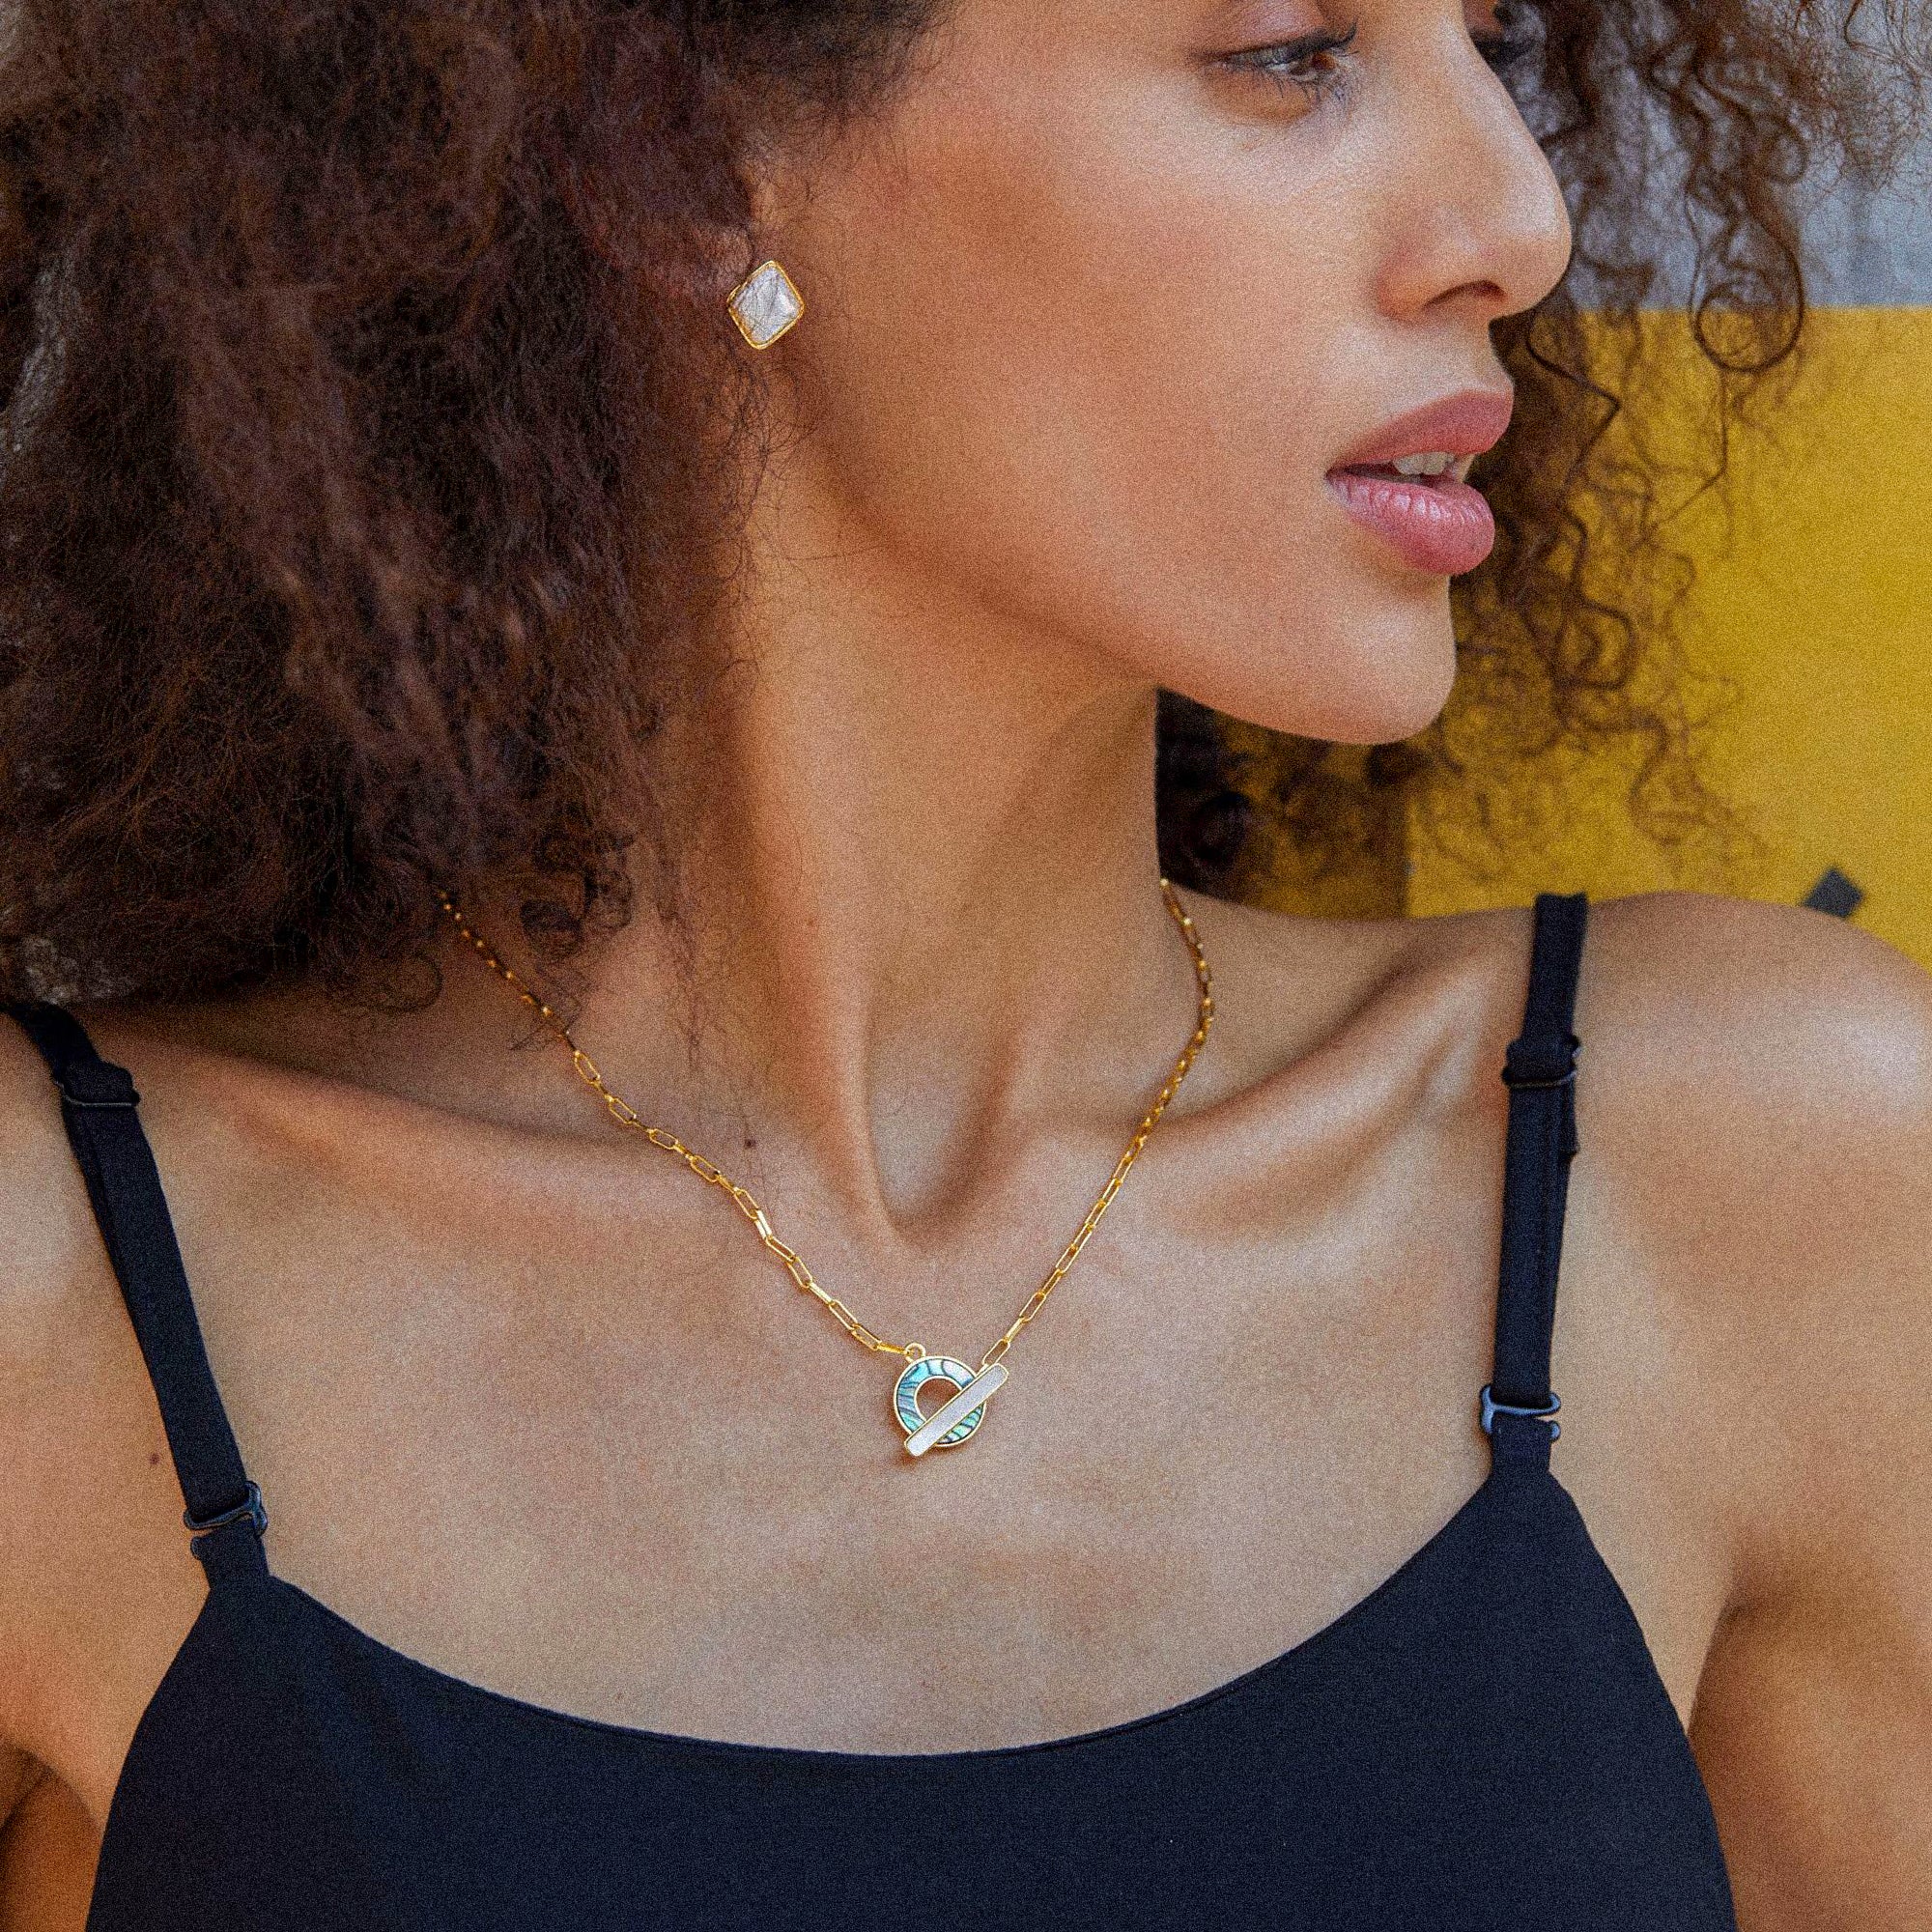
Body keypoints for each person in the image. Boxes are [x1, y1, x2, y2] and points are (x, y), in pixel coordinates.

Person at [0, 0, 1925, 1923]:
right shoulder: (57, 1299)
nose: (1522, 221)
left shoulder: (1748, 1181)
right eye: (1291, 49)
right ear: (681, 150)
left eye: (1493, 40)